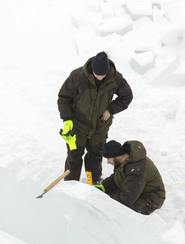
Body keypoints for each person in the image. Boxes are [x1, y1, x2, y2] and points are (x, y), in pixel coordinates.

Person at [57, 51, 133, 184]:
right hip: (78, 124)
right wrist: (67, 118)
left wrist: (110, 110)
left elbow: (126, 96)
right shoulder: (78, 76)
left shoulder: (114, 78)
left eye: (103, 74)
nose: (100, 77)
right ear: (92, 69)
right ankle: (70, 184)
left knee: (95, 155)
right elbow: (64, 98)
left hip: (100, 125)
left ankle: (93, 182)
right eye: (97, 74)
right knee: (74, 155)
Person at [95, 140, 166, 215]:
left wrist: (106, 200)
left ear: (116, 155)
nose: (108, 162)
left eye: (108, 158)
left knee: (122, 211)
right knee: (109, 194)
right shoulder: (124, 160)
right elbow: (117, 176)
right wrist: (104, 186)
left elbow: (127, 198)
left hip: (150, 198)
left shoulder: (136, 169)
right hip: (136, 189)